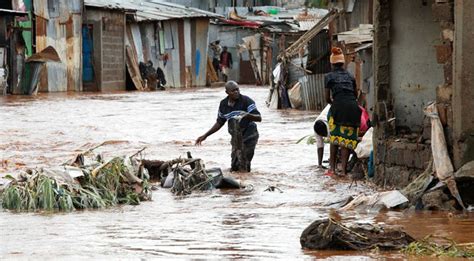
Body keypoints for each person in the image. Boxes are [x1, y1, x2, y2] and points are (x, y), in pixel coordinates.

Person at [196, 81, 261, 172]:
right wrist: (206, 135)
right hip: (235, 136)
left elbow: (259, 118)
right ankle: (236, 180)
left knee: (244, 161)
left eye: (237, 89)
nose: (236, 92)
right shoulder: (223, 104)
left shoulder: (246, 100)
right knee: (234, 165)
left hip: (249, 134)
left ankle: (244, 181)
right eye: (233, 91)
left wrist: (246, 115)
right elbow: (220, 122)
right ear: (227, 92)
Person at [324, 47, 362, 176]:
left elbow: (327, 98)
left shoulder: (329, 76)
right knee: (345, 141)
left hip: (338, 108)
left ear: (332, 63)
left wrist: (335, 103)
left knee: (334, 140)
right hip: (353, 108)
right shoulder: (350, 76)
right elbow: (355, 95)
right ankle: (344, 171)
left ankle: (332, 169)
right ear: (342, 63)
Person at [313, 104, 331, 169]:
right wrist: (319, 164)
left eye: (324, 135)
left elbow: (334, 143)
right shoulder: (316, 128)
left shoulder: (329, 125)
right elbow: (320, 146)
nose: (324, 136)